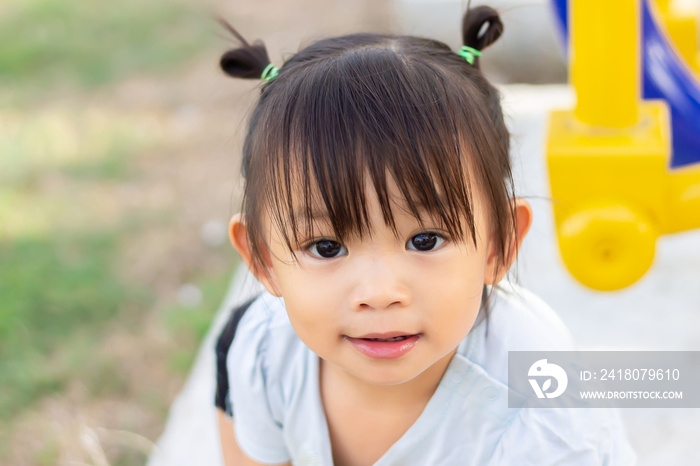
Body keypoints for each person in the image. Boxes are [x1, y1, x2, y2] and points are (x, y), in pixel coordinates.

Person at [213, 5, 636, 465]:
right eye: (326, 247)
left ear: (499, 243)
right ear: (262, 259)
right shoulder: (261, 352)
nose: (379, 293)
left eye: (425, 240)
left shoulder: (540, 409)